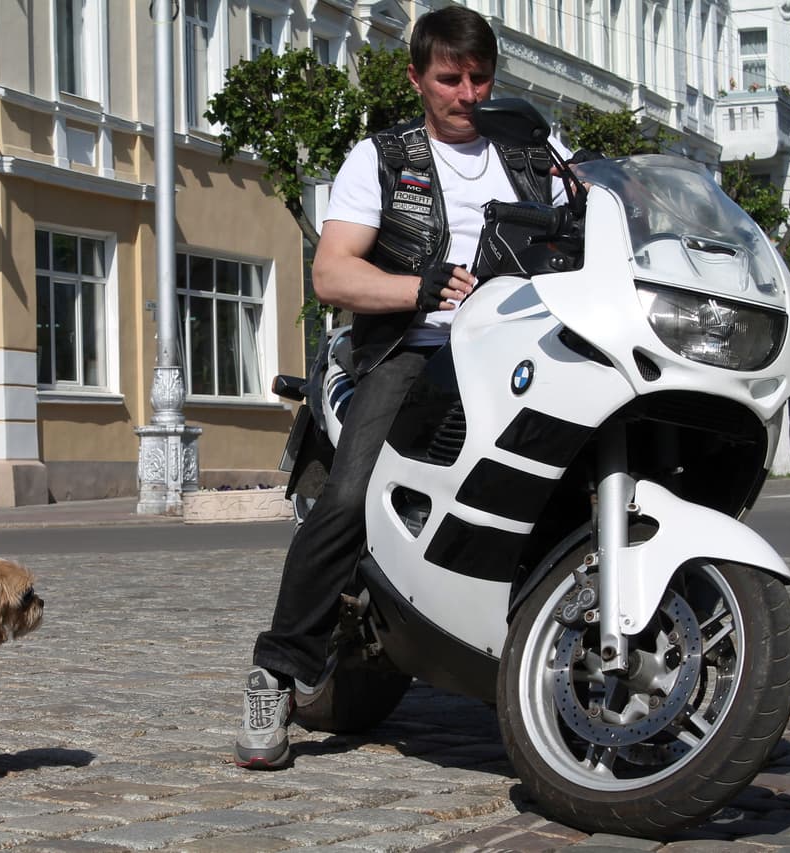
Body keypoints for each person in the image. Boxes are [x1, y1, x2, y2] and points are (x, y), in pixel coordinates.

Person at [235, 6, 571, 769]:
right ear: (417, 76)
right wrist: (416, 288)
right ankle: (275, 671)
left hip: (524, 346)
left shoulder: (535, 147)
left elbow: (600, 214)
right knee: (351, 497)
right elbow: (331, 272)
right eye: (449, 78)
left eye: (480, 78)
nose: (467, 93)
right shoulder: (382, 158)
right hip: (410, 352)